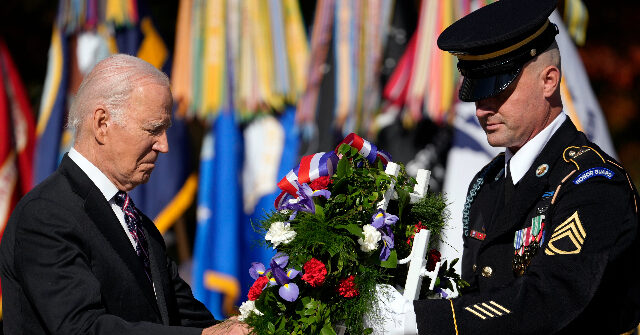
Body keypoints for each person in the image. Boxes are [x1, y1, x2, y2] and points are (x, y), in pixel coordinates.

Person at [376, 0, 640, 333]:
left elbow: (546, 300)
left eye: (498, 91)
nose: (482, 110)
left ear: (549, 81)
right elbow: (481, 294)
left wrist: (419, 321)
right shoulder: (486, 183)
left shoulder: (592, 184)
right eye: (477, 93)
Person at [0, 54, 250, 335]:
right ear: (102, 123)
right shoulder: (45, 215)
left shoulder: (137, 223)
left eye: (165, 131)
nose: (164, 146)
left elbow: (191, 321)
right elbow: (82, 329)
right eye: (153, 129)